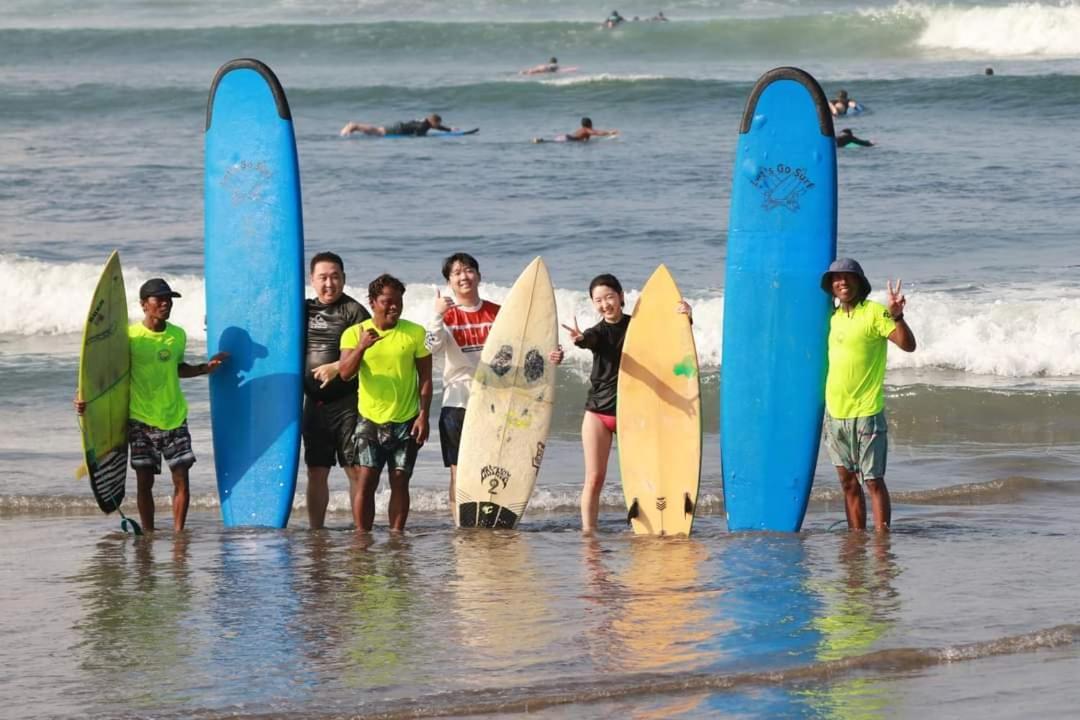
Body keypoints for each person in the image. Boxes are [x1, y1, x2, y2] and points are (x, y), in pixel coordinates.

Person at [74, 278, 228, 532]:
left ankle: (179, 534)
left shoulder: (177, 335)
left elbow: (177, 368)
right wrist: (83, 397)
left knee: (182, 480)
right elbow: (105, 373)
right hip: (140, 421)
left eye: (169, 299)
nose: (166, 303)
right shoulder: (129, 337)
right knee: (144, 482)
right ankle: (148, 533)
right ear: (144, 305)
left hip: (174, 416)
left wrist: (204, 368)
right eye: (160, 299)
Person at [562, 274, 691, 532]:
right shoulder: (596, 332)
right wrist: (579, 340)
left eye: (609, 297)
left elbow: (671, 341)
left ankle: (653, 524)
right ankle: (589, 533)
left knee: (643, 476)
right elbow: (590, 341)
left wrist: (686, 317)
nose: (604, 304)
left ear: (621, 297)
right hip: (598, 412)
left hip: (633, 411)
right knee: (594, 478)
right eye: (597, 300)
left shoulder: (639, 328)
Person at [820, 258, 916, 532]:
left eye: (848, 277)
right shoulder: (832, 318)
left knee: (872, 481)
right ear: (831, 286)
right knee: (848, 483)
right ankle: (856, 537)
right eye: (836, 278)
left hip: (866, 413)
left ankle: (881, 540)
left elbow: (908, 345)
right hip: (835, 414)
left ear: (859, 282)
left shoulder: (875, 313)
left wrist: (897, 316)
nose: (842, 282)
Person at [339, 274, 433, 532]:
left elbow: (425, 378)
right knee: (366, 480)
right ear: (372, 302)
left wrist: (423, 416)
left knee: (401, 479)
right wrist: (361, 348)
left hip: (406, 419)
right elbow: (346, 373)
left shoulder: (414, 333)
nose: (394, 306)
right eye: (387, 301)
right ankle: (362, 537)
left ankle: (396, 535)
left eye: (398, 301)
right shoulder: (354, 333)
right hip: (369, 419)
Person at [424, 253, 501, 515]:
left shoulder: (498, 312)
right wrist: (437, 315)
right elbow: (431, 348)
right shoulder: (447, 316)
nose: (463, 276)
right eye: (456, 273)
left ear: (479, 276)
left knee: (493, 468)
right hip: (457, 402)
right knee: (459, 472)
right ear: (449, 282)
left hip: (494, 402)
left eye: (468, 270)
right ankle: (460, 523)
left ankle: (489, 519)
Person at [303, 251, 371, 530]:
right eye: (323, 277)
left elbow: (370, 351)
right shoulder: (302, 310)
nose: (329, 283)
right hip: (314, 403)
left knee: (354, 470)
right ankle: (316, 531)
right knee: (316, 471)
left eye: (334, 277)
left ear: (343, 278)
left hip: (348, 403)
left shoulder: (354, 312)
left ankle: (359, 530)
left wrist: (335, 365)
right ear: (312, 280)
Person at [340, 113, 452, 137]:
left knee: (377, 130)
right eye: (438, 124)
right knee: (378, 132)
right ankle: (354, 126)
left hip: (399, 126)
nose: (438, 126)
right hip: (398, 129)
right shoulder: (424, 126)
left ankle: (354, 127)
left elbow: (436, 127)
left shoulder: (426, 121)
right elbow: (418, 134)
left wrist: (449, 129)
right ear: (434, 122)